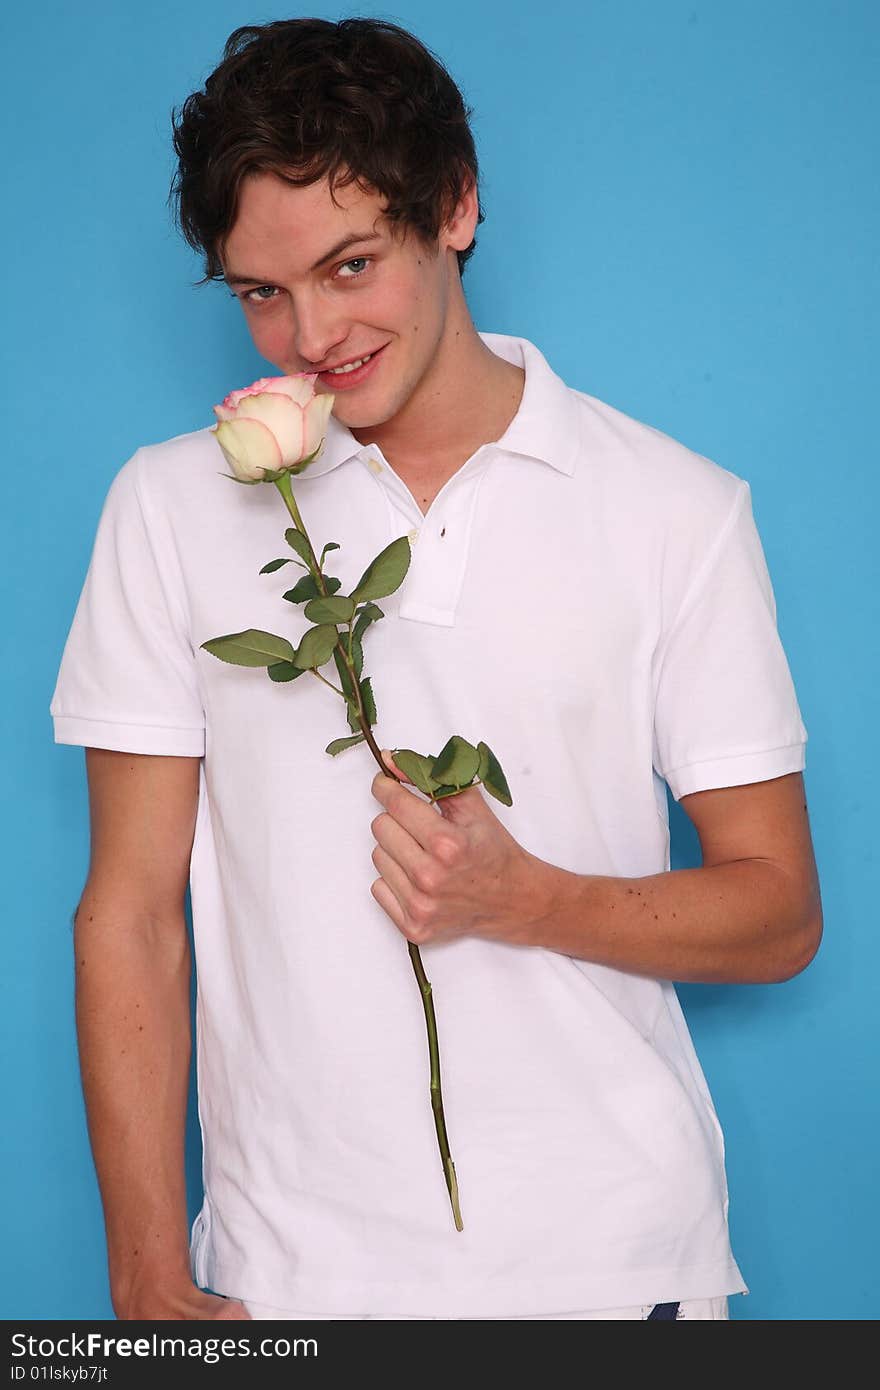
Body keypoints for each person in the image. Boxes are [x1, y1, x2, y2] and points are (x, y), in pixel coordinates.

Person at [50, 16, 822, 1322]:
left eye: (352, 265)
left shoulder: (676, 509)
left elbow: (780, 913)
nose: (311, 333)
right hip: (282, 1274)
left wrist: (520, 896)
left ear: (456, 206)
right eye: (260, 292)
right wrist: (145, 1275)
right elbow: (129, 914)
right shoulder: (170, 507)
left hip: (617, 1264)